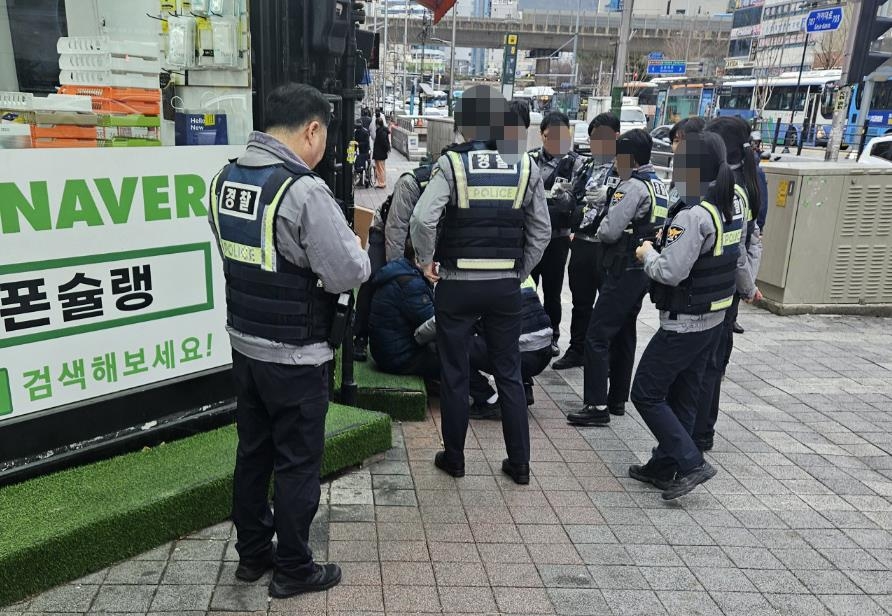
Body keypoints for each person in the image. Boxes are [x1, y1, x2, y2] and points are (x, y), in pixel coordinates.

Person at [207, 83, 370, 596]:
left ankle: (253, 556)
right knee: (298, 463)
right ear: (312, 130)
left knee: (252, 453)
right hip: (296, 355)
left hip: (245, 345)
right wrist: (359, 249)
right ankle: (295, 570)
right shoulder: (303, 190)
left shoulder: (223, 178)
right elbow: (347, 271)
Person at [410, 85, 550, 485]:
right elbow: (541, 231)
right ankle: (519, 464)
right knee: (509, 372)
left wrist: (425, 261)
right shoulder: (524, 166)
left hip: (456, 283)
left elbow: (422, 220)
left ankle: (454, 458)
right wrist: (518, 271)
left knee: (455, 372)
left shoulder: (451, 165)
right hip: (505, 286)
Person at [629, 131, 743, 500]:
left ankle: (691, 463)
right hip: (714, 319)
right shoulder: (731, 201)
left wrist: (647, 252)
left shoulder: (694, 215)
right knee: (684, 394)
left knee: (645, 392)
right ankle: (665, 465)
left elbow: (670, 272)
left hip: (685, 321)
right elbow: (738, 255)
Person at [566, 129, 669, 426]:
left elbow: (610, 230)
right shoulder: (658, 185)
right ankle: (617, 399)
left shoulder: (632, 186)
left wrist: (601, 224)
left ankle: (596, 405)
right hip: (642, 269)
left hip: (623, 266)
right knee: (625, 331)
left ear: (630, 158)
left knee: (597, 335)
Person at [692, 116, 764, 451]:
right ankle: (701, 430)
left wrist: (747, 285)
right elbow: (753, 240)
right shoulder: (750, 178)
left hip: (715, 285)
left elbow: (740, 243)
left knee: (706, 364)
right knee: (712, 364)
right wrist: (747, 284)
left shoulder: (728, 186)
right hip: (728, 288)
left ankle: (698, 431)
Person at [553, 112, 621, 370]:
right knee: (580, 301)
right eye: (593, 139)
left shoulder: (624, 166)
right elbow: (576, 197)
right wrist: (565, 195)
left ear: (616, 136)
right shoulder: (585, 165)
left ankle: (606, 357)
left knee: (607, 304)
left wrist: (612, 193)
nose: (597, 144)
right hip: (581, 240)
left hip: (607, 244)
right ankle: (577, 349)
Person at [352, 160, 437, 361]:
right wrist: (400, 273)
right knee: (374, 276)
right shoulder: (410, 184)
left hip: (418, 239)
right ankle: (360, 335)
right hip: (387, 233)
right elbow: (395, 231)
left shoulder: (451, 189)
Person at [529, 112, 585, 356]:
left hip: (557, 238)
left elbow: (575, 200)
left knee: (553, 291)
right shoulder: (529, 159)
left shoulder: (575, 164)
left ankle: (552, 335)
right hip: (530, 237)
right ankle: (526, 331)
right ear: (543, 134)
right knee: (528, 287)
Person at [468, 276, 554, 418]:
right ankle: (523, 390)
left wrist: (419, 337)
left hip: (521, 355)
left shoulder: (476, 279)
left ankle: (488, 401)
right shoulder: (520, 270)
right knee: (507, 331)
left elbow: (453, 323)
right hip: (544, 350)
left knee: (454, 347)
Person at [367, 253, 439, 380]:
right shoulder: (412, 284)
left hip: (386, 351)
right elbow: (434, 323)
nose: (436, 265)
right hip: (398, 357)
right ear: (419, 259)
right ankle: (480, 393)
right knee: (454, 355)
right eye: (434, 261)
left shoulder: (401, 269)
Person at [373, 116, 390, 189]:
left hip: (380, 153)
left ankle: (382, 183)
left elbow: (384, 142)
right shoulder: (382, 130)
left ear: (377, 124)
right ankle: (381, 182)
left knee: (380, 168)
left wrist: (386, 149)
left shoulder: (381, 132)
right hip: (380, 153)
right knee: (380, 168)